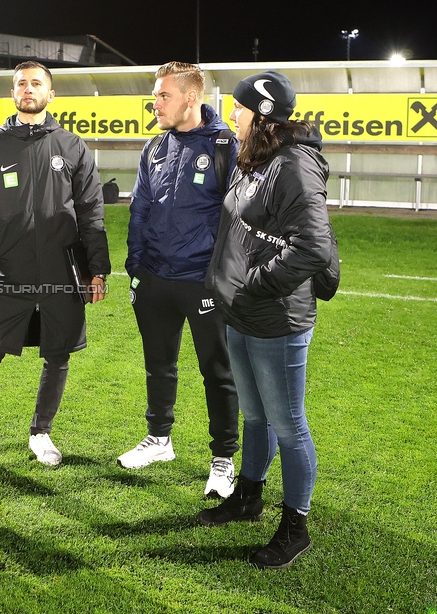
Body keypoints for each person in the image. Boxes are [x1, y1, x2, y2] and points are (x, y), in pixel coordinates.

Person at [0, 61, 111, 478]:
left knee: (57, 354)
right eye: (21, 84)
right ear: (12, 93)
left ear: (50, 94)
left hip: (59, 272)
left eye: (36, 84)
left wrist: (97, 270)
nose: (28, 89)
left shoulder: (72, 147)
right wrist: (0, 248)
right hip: (7, 274)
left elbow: (91, 212)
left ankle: (41, 434)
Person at [197, 70, 336, 570]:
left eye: (238, 108)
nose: (231, 114)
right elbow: (238, 229)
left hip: (279, 317)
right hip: (242, 312)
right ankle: (248, 497)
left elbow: (314, 248)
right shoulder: (251, 157)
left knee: (288, 424)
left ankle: (295, 526)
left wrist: (254, 284)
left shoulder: (293, 164)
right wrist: (228, 286)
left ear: (261, 114)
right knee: (254, 416)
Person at [118, 62, 240, 499]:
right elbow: (140, 210)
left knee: (217, 370)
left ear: (191, 98)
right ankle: (159, 440)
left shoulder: (226, 145)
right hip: (155, 279)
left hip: (202, 283)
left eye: (164, 96)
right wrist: (136, 268)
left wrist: (220, 276)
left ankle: (224, 458)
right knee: (159, 364)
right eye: (156, 96)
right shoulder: (154, 148)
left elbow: (238, 219)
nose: (156, 104)